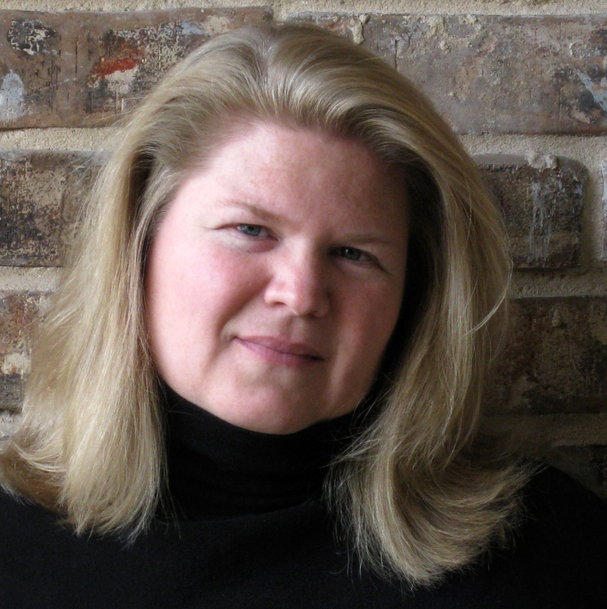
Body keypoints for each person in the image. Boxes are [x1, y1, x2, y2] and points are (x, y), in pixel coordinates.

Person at [0, 22, 604, 608]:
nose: (302, 294)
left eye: (353, 253)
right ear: (139, 244)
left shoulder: (546, 553)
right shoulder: (16, 549)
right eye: (250, 229)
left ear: (414, 296)